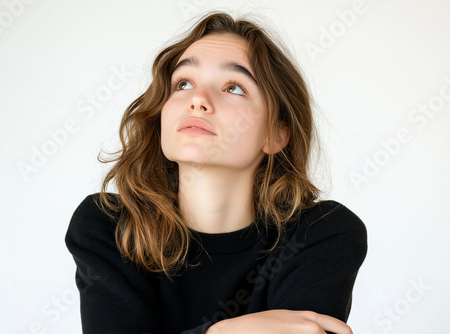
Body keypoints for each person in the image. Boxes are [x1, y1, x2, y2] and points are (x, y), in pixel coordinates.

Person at [65, 11, 368, 334]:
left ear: (276, 134)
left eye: (234, 87)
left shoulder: (323, 233)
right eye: (183, 83)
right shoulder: (107, 226)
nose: (197, 99)